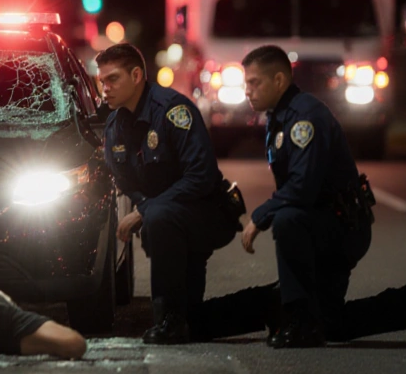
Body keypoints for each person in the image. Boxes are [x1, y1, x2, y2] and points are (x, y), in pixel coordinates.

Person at [239, 45, 406, 348]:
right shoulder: (279, 117)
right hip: (322, 224)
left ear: (279, 81)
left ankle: (300, 323)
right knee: (332, 324)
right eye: (246, 83)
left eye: (254, 83)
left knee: (286, 219)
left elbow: (302, 187)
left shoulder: (305, 118)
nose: (247, 90)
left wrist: (260, 216)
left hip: (340, 227)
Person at [96, 43, 278, 344]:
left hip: (207, 213)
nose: (105, 88)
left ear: (137, 75)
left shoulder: (173, 111)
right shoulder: (115, 126)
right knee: (196, 323)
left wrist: (144, 211)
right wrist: (148, 209)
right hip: (167, 220)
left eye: (113, 79)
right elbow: (126, 180)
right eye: (102, 81)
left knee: (158, 216)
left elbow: (201, 176)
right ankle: (269, 304)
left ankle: (170, 318)